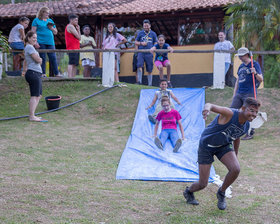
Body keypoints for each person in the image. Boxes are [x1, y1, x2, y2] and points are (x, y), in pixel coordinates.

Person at [183, 97, 261, 210]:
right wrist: (207, 110)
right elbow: (210, 104)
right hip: (207, 146)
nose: (253, 114)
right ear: (243, 108)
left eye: (256, 112)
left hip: (223, 145)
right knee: (202, 184)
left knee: (235, 168)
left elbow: (237, 136)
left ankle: (221, 192)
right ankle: (188, 192)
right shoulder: (230, 113)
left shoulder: (246, 125)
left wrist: (235, 155)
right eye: (251, 110)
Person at [231, 47, 263, 140]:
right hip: (239, 93)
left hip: (249, 93)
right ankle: (232, 130)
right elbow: (238, 80)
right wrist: (234, 93)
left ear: (246, 55)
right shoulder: (241, 66)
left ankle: (249, 132)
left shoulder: (254, 64)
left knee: (249, 112)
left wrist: (255, 73)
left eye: (240, 56)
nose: (239, 58)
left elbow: (261, 79)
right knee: (232, 111)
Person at [22, 31, 47, 122]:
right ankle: (31, 116)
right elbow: (37, 60)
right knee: (35, 95)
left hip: (35, 73)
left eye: (36, 38)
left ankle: (33, 115)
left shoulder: (30, 48)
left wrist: (24, 70)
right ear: (28, 38)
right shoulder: (29, 47)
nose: (35, 40)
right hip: (33, 73)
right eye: (33, 38)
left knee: (38, 95)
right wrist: (40, 59)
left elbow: (25, 61)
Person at [31, 7, 61, 77]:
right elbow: (33, 32)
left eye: (48, 13)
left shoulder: (50, 21)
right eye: (47, 13)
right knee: (42, 58)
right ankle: (43, 73)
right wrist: (35, 42)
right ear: (42, 13)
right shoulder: (36, 20)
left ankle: (57, 74)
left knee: (53, 57)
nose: (48, 14)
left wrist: (51, 28)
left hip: (50, 42)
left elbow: (56, 32)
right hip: (40, 41)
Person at [135, 19, 158, 86]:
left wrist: (153, 48)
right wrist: (141, 43)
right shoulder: (140, 33)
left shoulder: (153, 33)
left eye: (147, 26)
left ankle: (150, 84)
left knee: (149, 69)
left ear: (150, 26)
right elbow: (136, 42)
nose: (146, 27)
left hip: (149, 53)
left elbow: (156, 43)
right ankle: (139, 82)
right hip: (141, 52)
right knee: (139, 66)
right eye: (144, 26)